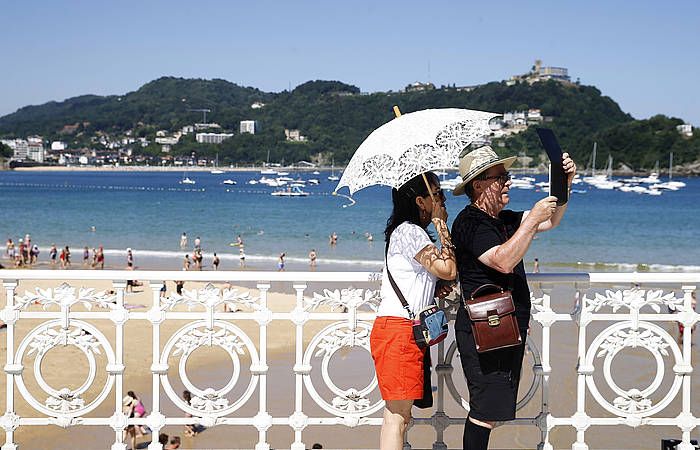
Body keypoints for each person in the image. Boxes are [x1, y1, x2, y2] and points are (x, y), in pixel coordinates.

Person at [450, 145, 575, 450]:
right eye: (501, 177)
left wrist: (565, 182)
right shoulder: (469, 223)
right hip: (486, 329)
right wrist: (530, 221)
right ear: (478, 185)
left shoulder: (502, 220)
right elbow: (503, 260)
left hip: (504, 328)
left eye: (507, 176)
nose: (508, 182)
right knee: (484, 413)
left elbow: (551, 221)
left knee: (492, 411)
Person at [370, 171, 457, 450]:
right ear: (421, 201)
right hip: (400, 332)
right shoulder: (410, 231)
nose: (442, 197)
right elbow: (449, 268)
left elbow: (424, 277)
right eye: (437, 192)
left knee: (398, 415)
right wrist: (442, 226)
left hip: (402, 331)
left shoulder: (406, 232)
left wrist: (434, 287)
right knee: (398, 417)